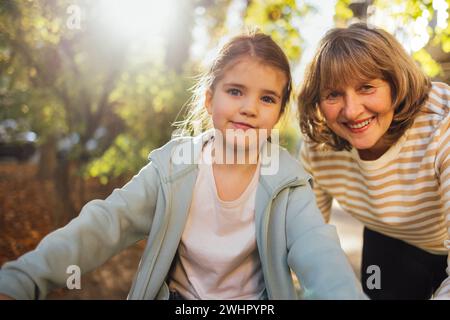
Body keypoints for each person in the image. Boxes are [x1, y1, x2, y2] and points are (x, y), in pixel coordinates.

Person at [0, 31, 366, 300]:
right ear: (209, 99)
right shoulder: (174, 168)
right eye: (235, 91)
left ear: (278, 114)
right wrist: (22, 279)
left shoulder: (288, 183)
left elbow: (321, 257)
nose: (249, 107)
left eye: (267, 98)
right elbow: (106, 223)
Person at [298, 22, 450, 300]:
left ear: (396, 84)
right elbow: (308, 241)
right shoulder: (319, 147)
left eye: (366, 87)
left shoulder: (442, 128)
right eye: (333, 94)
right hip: (388, 239)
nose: (352, 111)